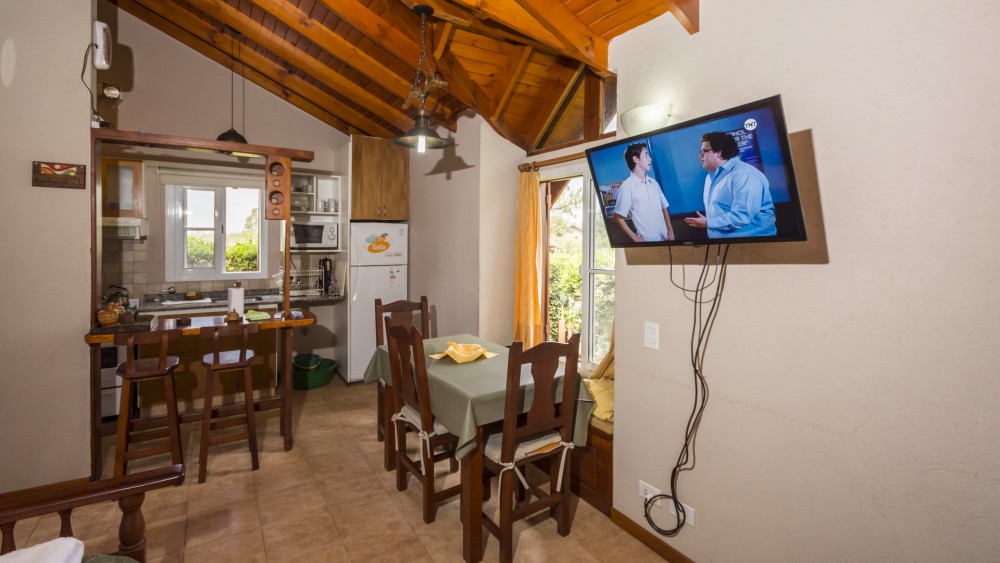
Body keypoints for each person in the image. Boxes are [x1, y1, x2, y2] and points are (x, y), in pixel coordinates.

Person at [684, 132, 776, 238]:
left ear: (719, 152)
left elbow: (742, 216)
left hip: (754, 244)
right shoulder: (709, 177)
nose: (700, 155)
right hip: (724, 245)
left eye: (704, 151)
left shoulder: (744, 174)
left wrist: (707, 223)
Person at [613, 143, 674, 242]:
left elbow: (664, 207)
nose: (650, 159)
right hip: (648, 244)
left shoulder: (654, 183)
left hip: (666, 240)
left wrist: (670, 230)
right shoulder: (626, 187)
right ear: (636, 159)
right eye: (646, 155)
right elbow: (617, 217)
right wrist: (636, 239)